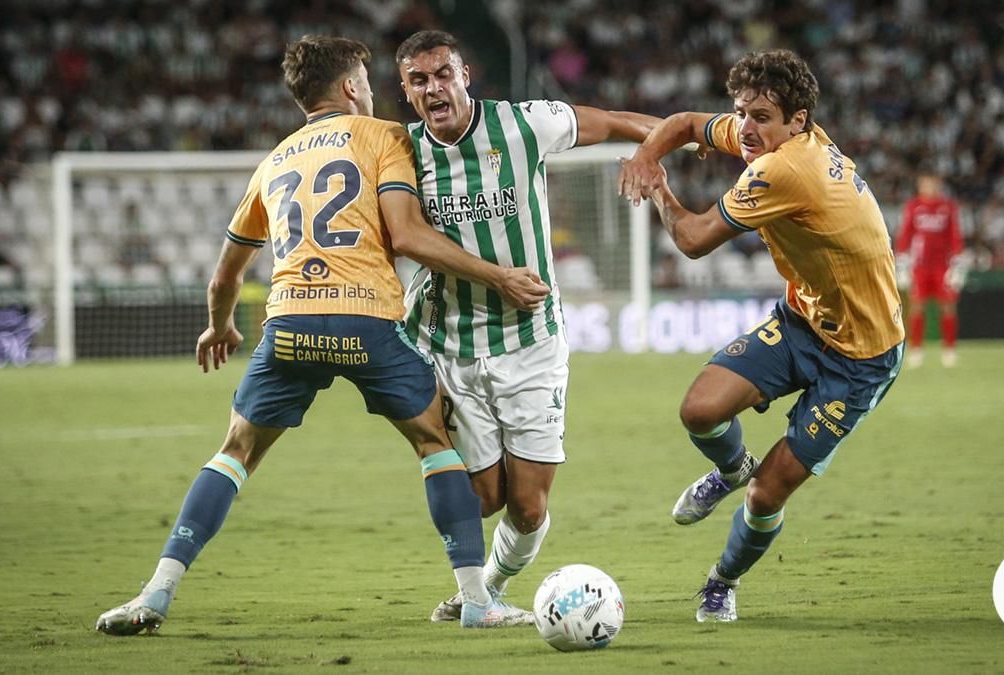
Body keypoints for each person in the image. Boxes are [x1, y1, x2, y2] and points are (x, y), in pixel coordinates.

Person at [95, 36, 549, 636]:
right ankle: (476, 601)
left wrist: (219, 325)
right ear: (350, 87)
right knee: (432, 441)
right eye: (365, 78)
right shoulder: (384, 136)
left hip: (288, 322)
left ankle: (155, 594)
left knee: (235, 450)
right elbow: (406, 230)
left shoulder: (276, 159)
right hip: (366, 320)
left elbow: (224, 275)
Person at [618, 49, 904, 622]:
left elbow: (694, 240)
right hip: (804, 321)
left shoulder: (787, 169)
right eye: (741, 112)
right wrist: (649, 153)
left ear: (797, 122)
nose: (745, 128)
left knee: (767, 494)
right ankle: (730, 467)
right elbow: (682, 124)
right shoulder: (769, 138)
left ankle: (721, 580)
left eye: (761, 117)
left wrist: (658, 188)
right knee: (700, 410)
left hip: (861, 358)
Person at [393, 30, 661, 621]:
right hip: (450, 347)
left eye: (443, 73)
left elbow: (615, 122)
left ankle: (484, 590)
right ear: (406, 90)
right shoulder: (401, 153)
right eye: (420, 79)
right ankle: (477, 598)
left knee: (529, 508)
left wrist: (676, 138)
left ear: (466, 74)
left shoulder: (523, 124)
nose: (435, 88)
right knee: (484, 499)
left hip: (531, 343)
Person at [896, 172, 964, 368]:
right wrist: (901, 264)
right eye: (925, 183)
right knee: (917, 306)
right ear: (920, 185)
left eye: (933, 184)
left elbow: (955, 235)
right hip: (919, 266)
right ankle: (916, 349)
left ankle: (949, 349)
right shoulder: (913, 206)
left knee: (948, 306)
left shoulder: (947, 207)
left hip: (942, 266)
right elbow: (905, 234)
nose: (930, 187)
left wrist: (957, 264)